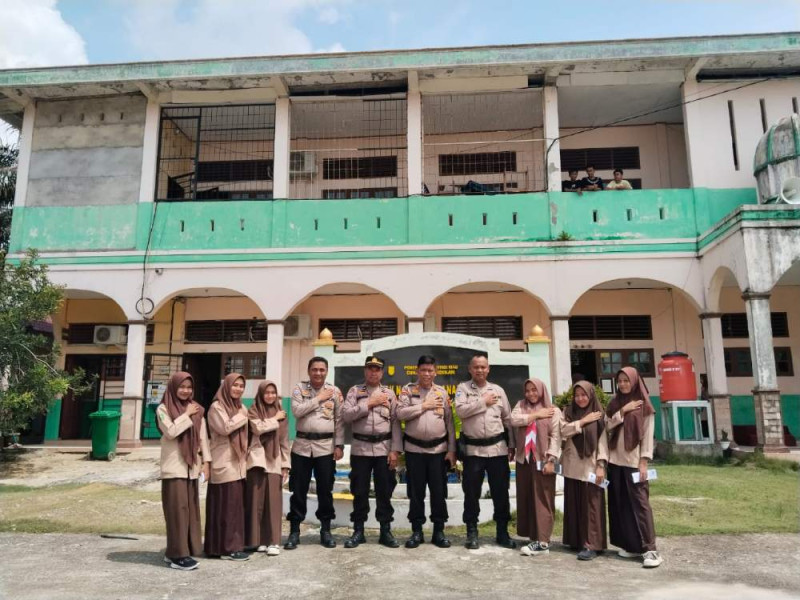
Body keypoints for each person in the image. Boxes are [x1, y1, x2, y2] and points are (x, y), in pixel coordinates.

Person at [455, 354, 516, 550]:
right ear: (470, 369)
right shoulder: (463, 389)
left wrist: (512, 444)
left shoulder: (498, 390)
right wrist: (483, 402)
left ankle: (502, 532)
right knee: (471, 493)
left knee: (500, 492)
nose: (479, 370)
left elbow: (507, 419)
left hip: (497, 450)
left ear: (488, 369)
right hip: (473, 452)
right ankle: (472, 532)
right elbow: (461, 411)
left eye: (483, 367)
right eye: (476, 367)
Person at [342, 356, 403, 549]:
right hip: (360, 449)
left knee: (384, 491)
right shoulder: (355, 391)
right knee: (359, 491)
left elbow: (395, 423)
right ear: (365, 370)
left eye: (377, 369)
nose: (373, 372)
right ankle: (358, 530)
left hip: (383, 449)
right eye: (370, 368)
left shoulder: (389, 394)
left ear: (382, 373)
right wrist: (368, 403)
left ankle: (385, 530)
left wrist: (395, 450)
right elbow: (346, 415)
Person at [396, 355, 457, 549]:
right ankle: (417, 531)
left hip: (438, 451)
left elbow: (449, 423)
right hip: (414, 450)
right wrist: (424, 406)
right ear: (417, 371)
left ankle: (439, 531)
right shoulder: (408, 391)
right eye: (423, 370)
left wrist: (451, 450)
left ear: (435, 372)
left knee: (439, 492)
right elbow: (400, 413)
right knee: (416, 493)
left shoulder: (441, 392)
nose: (427, 374)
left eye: (430, 370)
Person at [605, 367, 663, 568]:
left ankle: (650, 549)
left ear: (635, 381)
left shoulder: (644, 405)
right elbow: (607, 425)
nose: (622, 384)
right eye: (620, 381)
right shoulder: (615, 403)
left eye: (626, 380)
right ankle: (631, 546)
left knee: (640, 505)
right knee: (621, 505)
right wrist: (623, 411)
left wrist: (644, 461)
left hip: (634, 462)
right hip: (615, 461)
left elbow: (647, 435)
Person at [285, 356, 345, 549]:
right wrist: (319, 398)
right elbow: (297, 411)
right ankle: (294, 531)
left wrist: (339, 445)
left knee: (325, 490)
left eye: (322, 369)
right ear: (309, 371)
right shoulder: (299, 389)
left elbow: (339, 420)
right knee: (298, 489)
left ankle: (325, 530)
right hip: (302, 446)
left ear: (326, 371)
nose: (318, 373)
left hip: (326, 447)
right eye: (315, 369)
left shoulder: (335, 392)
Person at [156, 372, 210, 571]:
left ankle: (182, 550)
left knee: (189, 511)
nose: (186, 391)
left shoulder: (196, 409)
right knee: (177, 512)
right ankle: (177, 556)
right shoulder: (163, 408)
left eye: (189, 387)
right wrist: (186, 415)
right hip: (174, 469)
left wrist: (206, 462)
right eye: (182, 387)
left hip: (191, 468)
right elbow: (170, 431)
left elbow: (203, 438)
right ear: (173, 387)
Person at [510, 377, 561, 557]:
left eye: (534, 390)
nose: (531, 393)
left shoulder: (553, 410)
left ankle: (543, 541)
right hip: (525, 460)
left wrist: (551, 460)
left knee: (543, 499)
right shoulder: (520, 405)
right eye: (527, 390)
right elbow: (513, 420)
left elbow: (556, 437)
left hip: (544, 460)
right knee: (527, 498)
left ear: (541, 390)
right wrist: (536, 415)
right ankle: (534, 536)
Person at [204, 373, 250, 561]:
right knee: (224, 506)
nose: (238, 389)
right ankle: (226, 548)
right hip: (223, 461)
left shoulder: (240, 407)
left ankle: (227, 546)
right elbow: (225, 427)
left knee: (234, 507)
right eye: (235, 385)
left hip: (237, 462)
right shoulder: (217, 407)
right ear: (226, 386)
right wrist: (243, 415)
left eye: (241, 386)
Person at [561, 381, 608, 561]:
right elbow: (563, 431)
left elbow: (603, 441)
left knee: (592, 506)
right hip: (572, 465)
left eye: (584, 395)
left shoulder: (598, 414)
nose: (580, 398)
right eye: (577, 395)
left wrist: (601, 466)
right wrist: (582, 421)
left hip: (591, 466)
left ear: (591, 395)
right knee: (574, 504)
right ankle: (576, 540)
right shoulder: (568, 412)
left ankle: (592, 544)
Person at [245, 380, 290, 556]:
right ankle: (258, 540)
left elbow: (284, 441)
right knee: (256, 501)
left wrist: (285, 465)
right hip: (257, 460)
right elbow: (257, 428)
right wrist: (274, 419)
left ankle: (273, 541)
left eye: (273, 392)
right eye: (267, 392)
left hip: (274, 460)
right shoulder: (253, 410)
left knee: (273, 501)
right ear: (261, 394)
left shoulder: (281, 413)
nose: (270, 396)